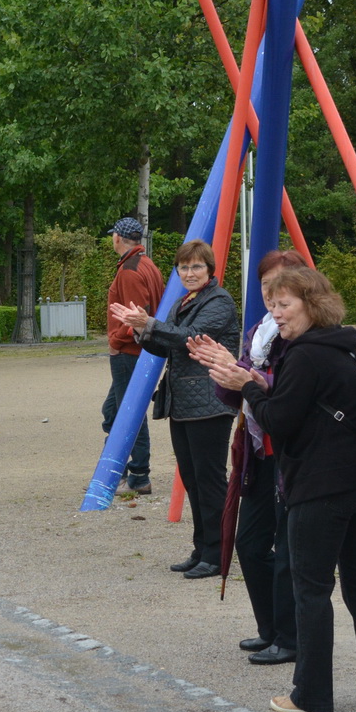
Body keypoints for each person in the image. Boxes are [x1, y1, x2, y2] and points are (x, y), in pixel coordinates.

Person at [202, 267, 356, 712]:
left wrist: (247, 385)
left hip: (322, 484)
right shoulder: (344, 348)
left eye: (284, 304)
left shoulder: (306, 355)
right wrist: (254, 384)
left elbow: (279, 421)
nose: (277, 314)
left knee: (311, 588)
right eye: (272, 305)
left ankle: (311, 695)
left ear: (311, 305)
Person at [111, 239, 238, 578]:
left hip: (211, 401)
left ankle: (218, 553)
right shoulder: (184, 301)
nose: (189, 272)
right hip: (182, 401)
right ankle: (202, 549)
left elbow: (190, 337)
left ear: (209, 270)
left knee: (210, 480)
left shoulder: (219, 301)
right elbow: (166, 345)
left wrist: (149, 322)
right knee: (194, 479)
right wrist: (141, 328)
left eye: (196, 266)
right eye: (184, 267)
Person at [212, 249, 309, 666]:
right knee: (249, 542)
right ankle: (270, 628)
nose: (274, 294)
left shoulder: (308, 331)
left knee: (291, 552)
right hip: (257, 448)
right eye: (267, 284)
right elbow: (237, 395)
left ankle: (291, 637)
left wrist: (253, 380)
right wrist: (224, 373)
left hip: (294, 454)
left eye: (282, 283)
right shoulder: (260, 330)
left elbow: (293, 392)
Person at [101, 217, 164, 494]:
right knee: (113, 412)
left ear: (118, 238)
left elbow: (138, 315)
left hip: (130, 351)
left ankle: (137, 475)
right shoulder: (146, 264)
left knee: (129, 413)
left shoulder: (129, 270)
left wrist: (115, 340)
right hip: (140, 349)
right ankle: (121, 470)